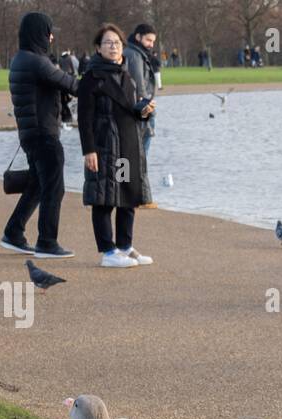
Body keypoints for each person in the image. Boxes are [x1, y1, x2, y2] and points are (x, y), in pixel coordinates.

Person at [2, 11, 79, 258]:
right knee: (54, 188)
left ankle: (13, 232)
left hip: (30, 133)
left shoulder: (20, 59)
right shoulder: (37, 61)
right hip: (44, 134)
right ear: (40, 33)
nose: (52, 37)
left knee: (37, 186)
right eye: (49, 32)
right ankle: (47, 241)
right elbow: (72, 85)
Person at [79, 23, 155, 269]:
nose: (114, 46)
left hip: (127, 146)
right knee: (104, 198)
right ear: (98, 48)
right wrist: (88, 150)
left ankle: (124, 246)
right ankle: (108, 251)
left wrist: (143, 112)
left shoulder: (126, 74)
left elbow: (130, 108)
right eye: (108, 43)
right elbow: (84, 117)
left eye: (117, 43)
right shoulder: (92, 77)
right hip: (104, 146)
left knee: (126, 194)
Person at [123, 22, 159, 188]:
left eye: (153, 41)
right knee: (139, 154)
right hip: (141, 111)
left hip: (136, 110)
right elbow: (139, 87)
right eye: (148, 40)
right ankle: (134, 191)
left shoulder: (134, 52)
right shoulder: (135, 55)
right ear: (138, 37)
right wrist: (148, 111)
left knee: (130, 154)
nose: (151, 44)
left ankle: (126, 189)